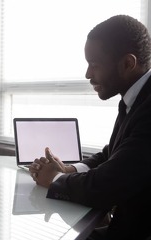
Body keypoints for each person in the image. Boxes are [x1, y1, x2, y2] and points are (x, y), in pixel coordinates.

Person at [29, 15, 151, 240]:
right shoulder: (135, 99)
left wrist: (54, 178)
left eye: (95, 65)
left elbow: (106, 185)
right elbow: (112, 154)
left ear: (127, 63)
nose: (87, 74)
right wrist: (69, 170)